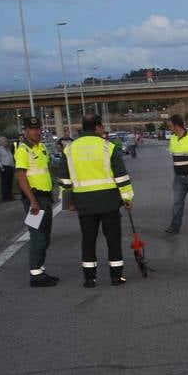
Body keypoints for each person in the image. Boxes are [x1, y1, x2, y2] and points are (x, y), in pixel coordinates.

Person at [60, 113, 134, 287]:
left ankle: (89, 278)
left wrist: (67, 202)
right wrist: (127, 198)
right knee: (113, 239)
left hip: (84, 202)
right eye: (102, 127)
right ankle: (116, 277)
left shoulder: (70, 149)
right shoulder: (107, 147)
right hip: (108, 201)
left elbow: (64, 179)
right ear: (98, 127)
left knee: (88, 239)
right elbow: (121, 176)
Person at [14, 118, 58, 288]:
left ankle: (40, 269)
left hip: (45, 198)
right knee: (37, 237)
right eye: (32, 129)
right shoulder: (23, 150)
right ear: (25, 131)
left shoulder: (42, 147)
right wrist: (32, 201)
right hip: (34, 200)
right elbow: (21, 176)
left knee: (45, 236)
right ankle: (35, 274)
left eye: (38, 128)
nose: (36, 132)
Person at [0, 136, 16, 202]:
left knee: (10, 183)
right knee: (5, 184)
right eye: (3, 141)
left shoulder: (8, 149)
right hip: (4, 168)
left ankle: (10, 196)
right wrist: (1, 167)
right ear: (0, 142)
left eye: (6, 141)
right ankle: (5, 197)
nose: (5, 142)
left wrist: (13, 166)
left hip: (10, 167)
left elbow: (11, 158)